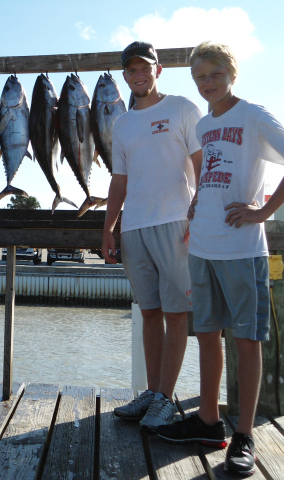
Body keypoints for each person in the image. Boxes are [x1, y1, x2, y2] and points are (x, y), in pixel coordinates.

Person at [156, 41, 284, 476]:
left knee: (246, 340)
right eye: (199, 78)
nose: (207, 84)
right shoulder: (207, 123)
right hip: (203, 245)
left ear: (232, 73)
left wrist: (263, 212)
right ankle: (209, 422)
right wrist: (199, 203)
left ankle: (244, 434)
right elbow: (213, 170)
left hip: (241, 248)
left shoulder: (253, 114)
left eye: (214, 74)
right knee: (207, 334)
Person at [101, 41, 203, 431]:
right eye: (131, 70)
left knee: (177, 314)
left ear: (158, 70)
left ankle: (165, 397)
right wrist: (108, 227)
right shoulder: (122, 123)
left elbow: (201, 164)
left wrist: (200, 211)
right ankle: (151, 392)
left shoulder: (181, 108)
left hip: (177, 222)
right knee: (150, 312)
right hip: (135, 227)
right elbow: (119, 180)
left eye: (145, 68)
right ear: (125, 76)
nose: (139, 75)